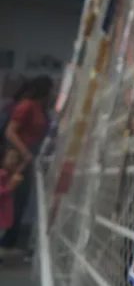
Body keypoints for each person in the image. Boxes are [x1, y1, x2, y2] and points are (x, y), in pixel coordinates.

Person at [1, 75, 52, 253]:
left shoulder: (40, 109)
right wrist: (25, 152)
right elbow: (10, 131)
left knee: (20, 200)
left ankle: (9, 239)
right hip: (18, 158)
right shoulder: (27, 106)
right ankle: (7, 239)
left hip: (27, 158)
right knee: (9, 198)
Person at [0, 149, 23, 265]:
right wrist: (9, 188)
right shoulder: (2, 175)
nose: (13, 161)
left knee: (2, 234)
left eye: (16, 159)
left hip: (5, 213)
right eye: (11, 157)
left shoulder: (12, 176)